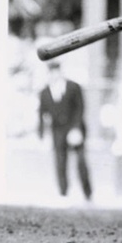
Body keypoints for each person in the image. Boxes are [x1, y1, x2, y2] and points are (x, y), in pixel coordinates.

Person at [38, 60, 92, 202]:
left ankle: (88, 194)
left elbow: (80, 108)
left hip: (74, 128)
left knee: (81, 162)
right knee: (60, 162)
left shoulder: (73, 87)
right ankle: (63, 193)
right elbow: (42, 115)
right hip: (57, 131)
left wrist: (76, 129)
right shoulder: (44, 92)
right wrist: (42, 135)